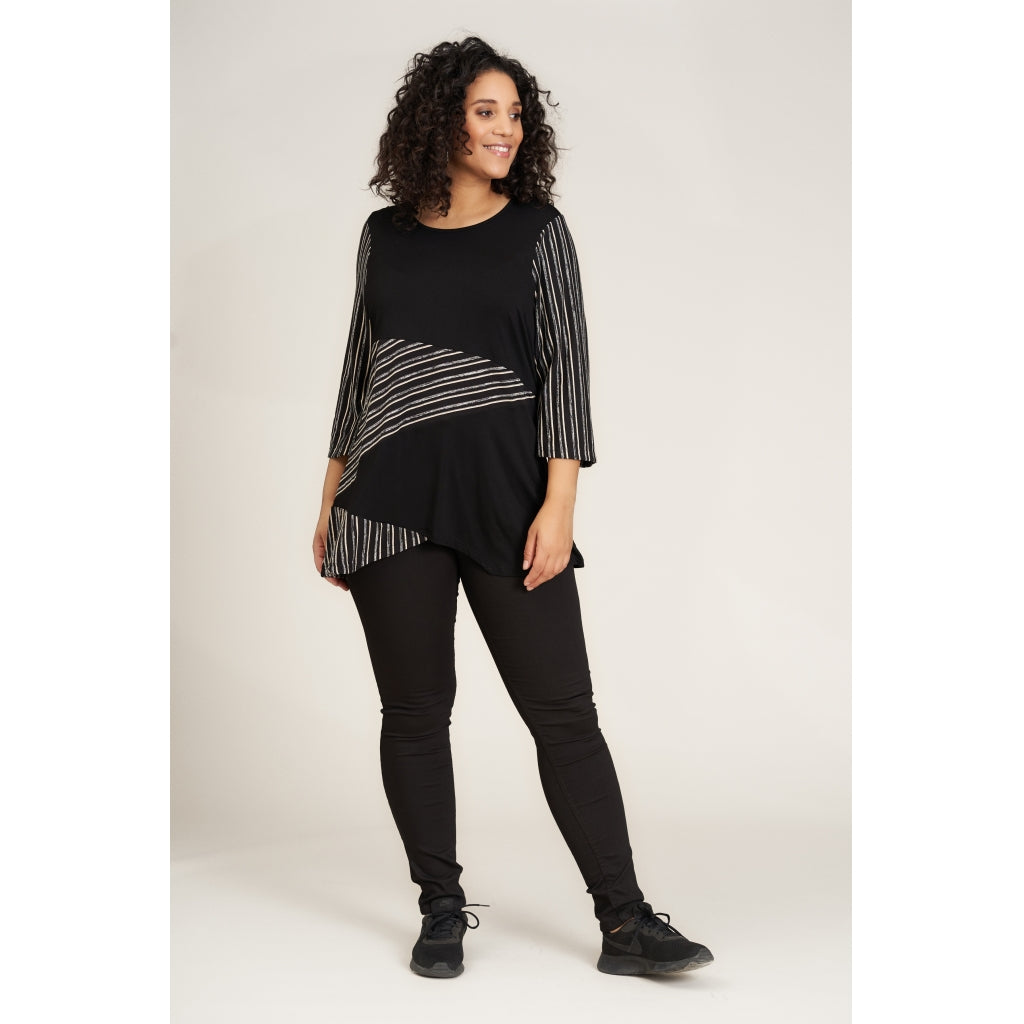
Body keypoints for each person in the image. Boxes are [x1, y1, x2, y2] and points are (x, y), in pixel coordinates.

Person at [312, 36, 714, 980]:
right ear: (440, 119)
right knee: (416, 713)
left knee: (563, 714)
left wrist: (559, 500)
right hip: (387, 501)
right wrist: (330, 499)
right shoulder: (384, 235)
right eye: (485, 111)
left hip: (507, 498)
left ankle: (625, 922)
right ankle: (440, 910)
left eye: (516, 114)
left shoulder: (538, 231)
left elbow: (566, 370)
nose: (506, 129)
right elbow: (360, 370)